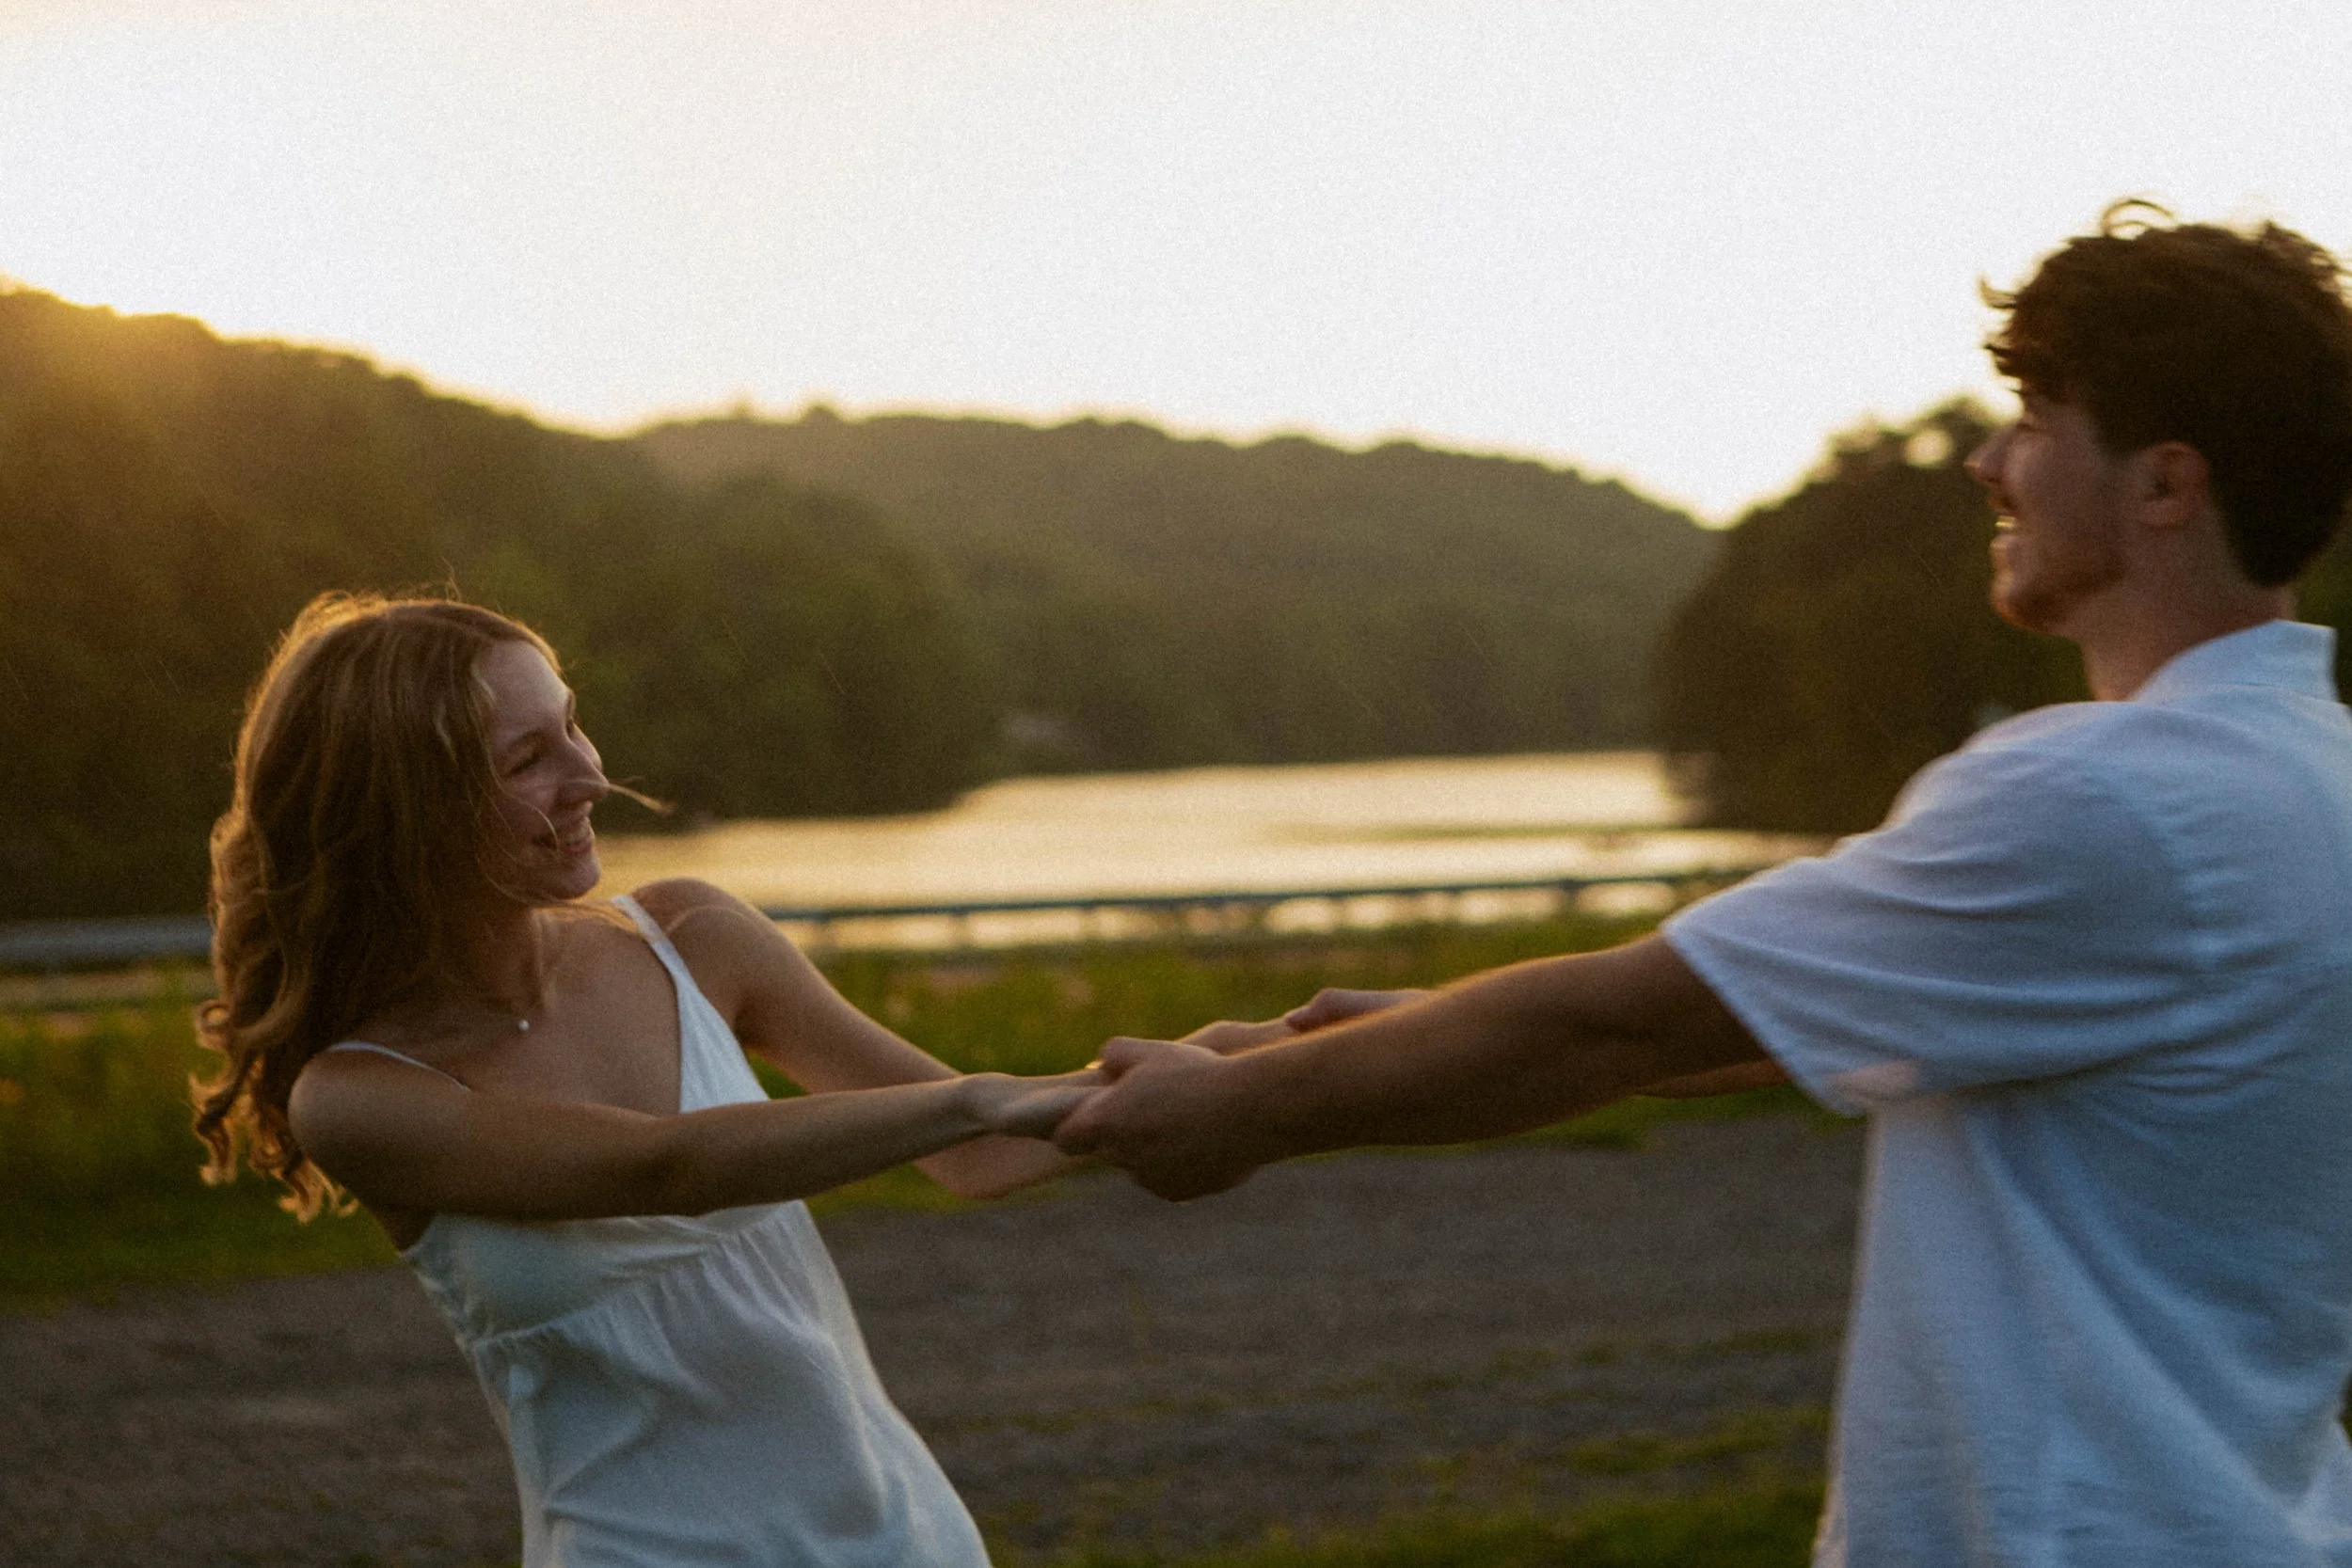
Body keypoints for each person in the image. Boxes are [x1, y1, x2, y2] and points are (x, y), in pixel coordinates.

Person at [1056, 204, 2352, 1565]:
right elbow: (1778, 1017)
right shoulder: (2310, 775)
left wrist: (1236, 1108)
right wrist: (1416, 1027)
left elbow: (1620, 1021)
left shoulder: (2096, 796)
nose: (1986, 460)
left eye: (2034, 417)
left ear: (2164, 482)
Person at [192, 592, 1099, 1567]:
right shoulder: (360, 1096)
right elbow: (663, 1168)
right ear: (407, 811)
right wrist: (980, 1094)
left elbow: (987, 1155)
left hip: (901, 1543)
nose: (589, 774)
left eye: (572, 724)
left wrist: (1258, 1056)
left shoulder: (693, 938)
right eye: (526, 759)